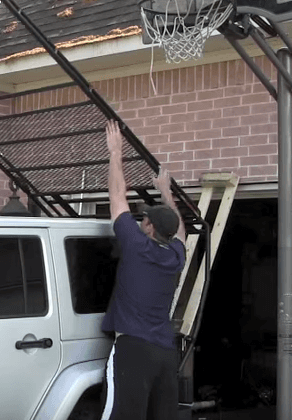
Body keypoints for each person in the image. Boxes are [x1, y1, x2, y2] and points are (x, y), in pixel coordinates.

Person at [100, 120, 186, 420]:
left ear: (149, 228)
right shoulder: (175, 256)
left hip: (133, 350)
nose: (141, 221)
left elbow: (117, 197)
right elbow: (180, 231)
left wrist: (115, 152)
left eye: (145, 219)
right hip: (164, 353)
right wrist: (166, 193)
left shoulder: (137, 246)